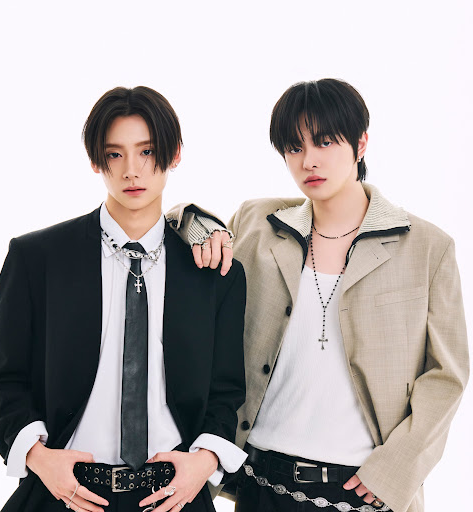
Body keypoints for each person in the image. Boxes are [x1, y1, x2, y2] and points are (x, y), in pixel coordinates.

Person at [166, 78, 469, 512]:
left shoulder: (426, 247)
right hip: (261, 484)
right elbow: (176, 223)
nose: (309, 160)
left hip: (364, 491)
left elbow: (446, 375)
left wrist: (395, 470)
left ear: (360, 144)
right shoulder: (257, 223)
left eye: (325, 142)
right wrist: (201, 227)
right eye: (294, 147)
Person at [0, 86, 247, 512]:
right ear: (95, 161)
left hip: (173, 495)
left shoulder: (214, 271)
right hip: (64, 492)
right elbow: (1, 379)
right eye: (114, 154)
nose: (131, 171)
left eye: (147, 151)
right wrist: (39, 458)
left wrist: (206, 460)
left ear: (175, 153)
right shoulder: (37, 258)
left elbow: (226, 391)